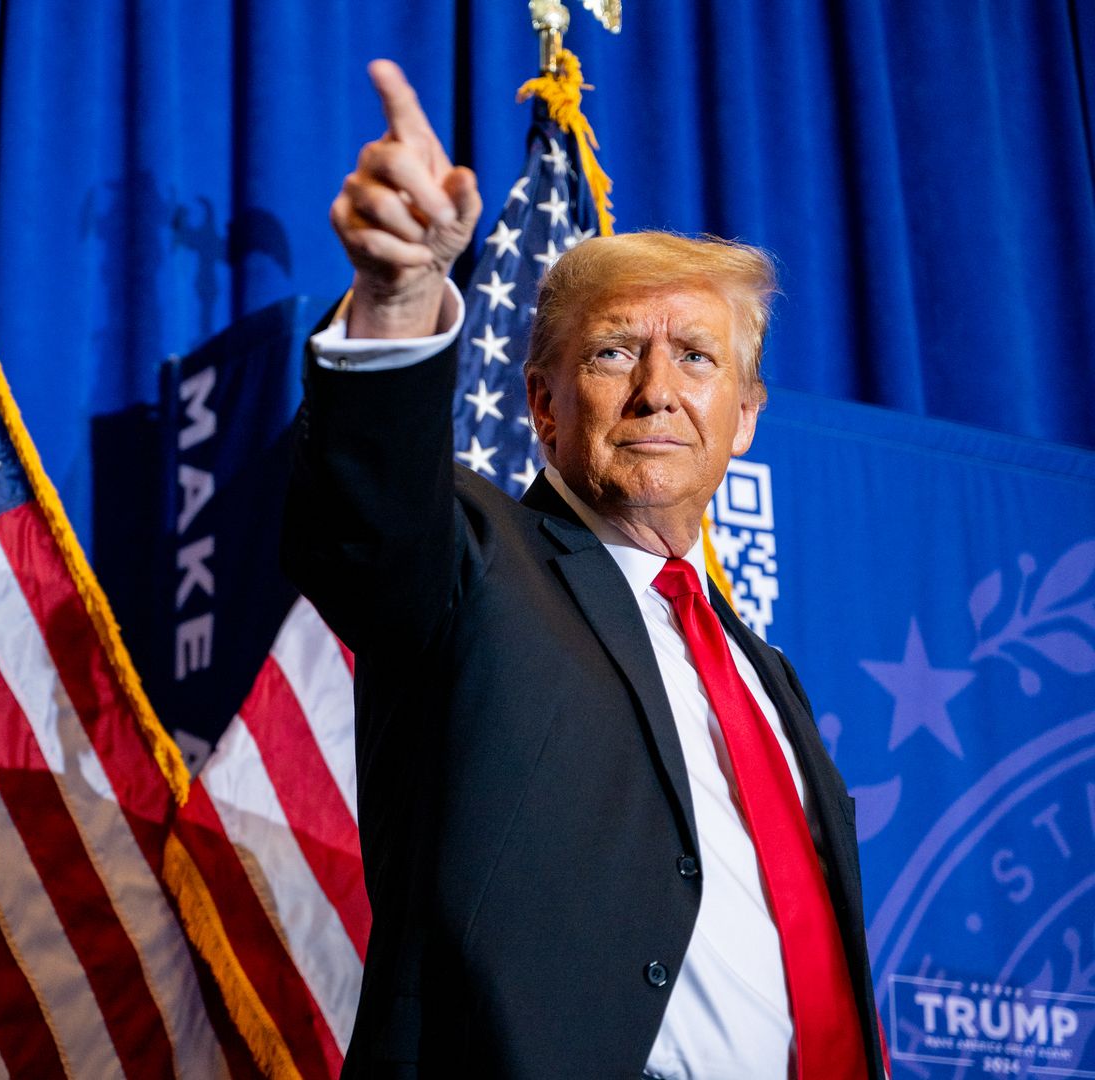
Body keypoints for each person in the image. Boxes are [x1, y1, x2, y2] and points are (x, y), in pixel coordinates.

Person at [283, 60, 884, 1079]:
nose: (657, 391)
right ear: (542, 406)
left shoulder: (766, 677)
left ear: (744, 418)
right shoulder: (478, 564)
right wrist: (397, 299)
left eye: (696, 357)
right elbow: (367, 527)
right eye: (612, 353)